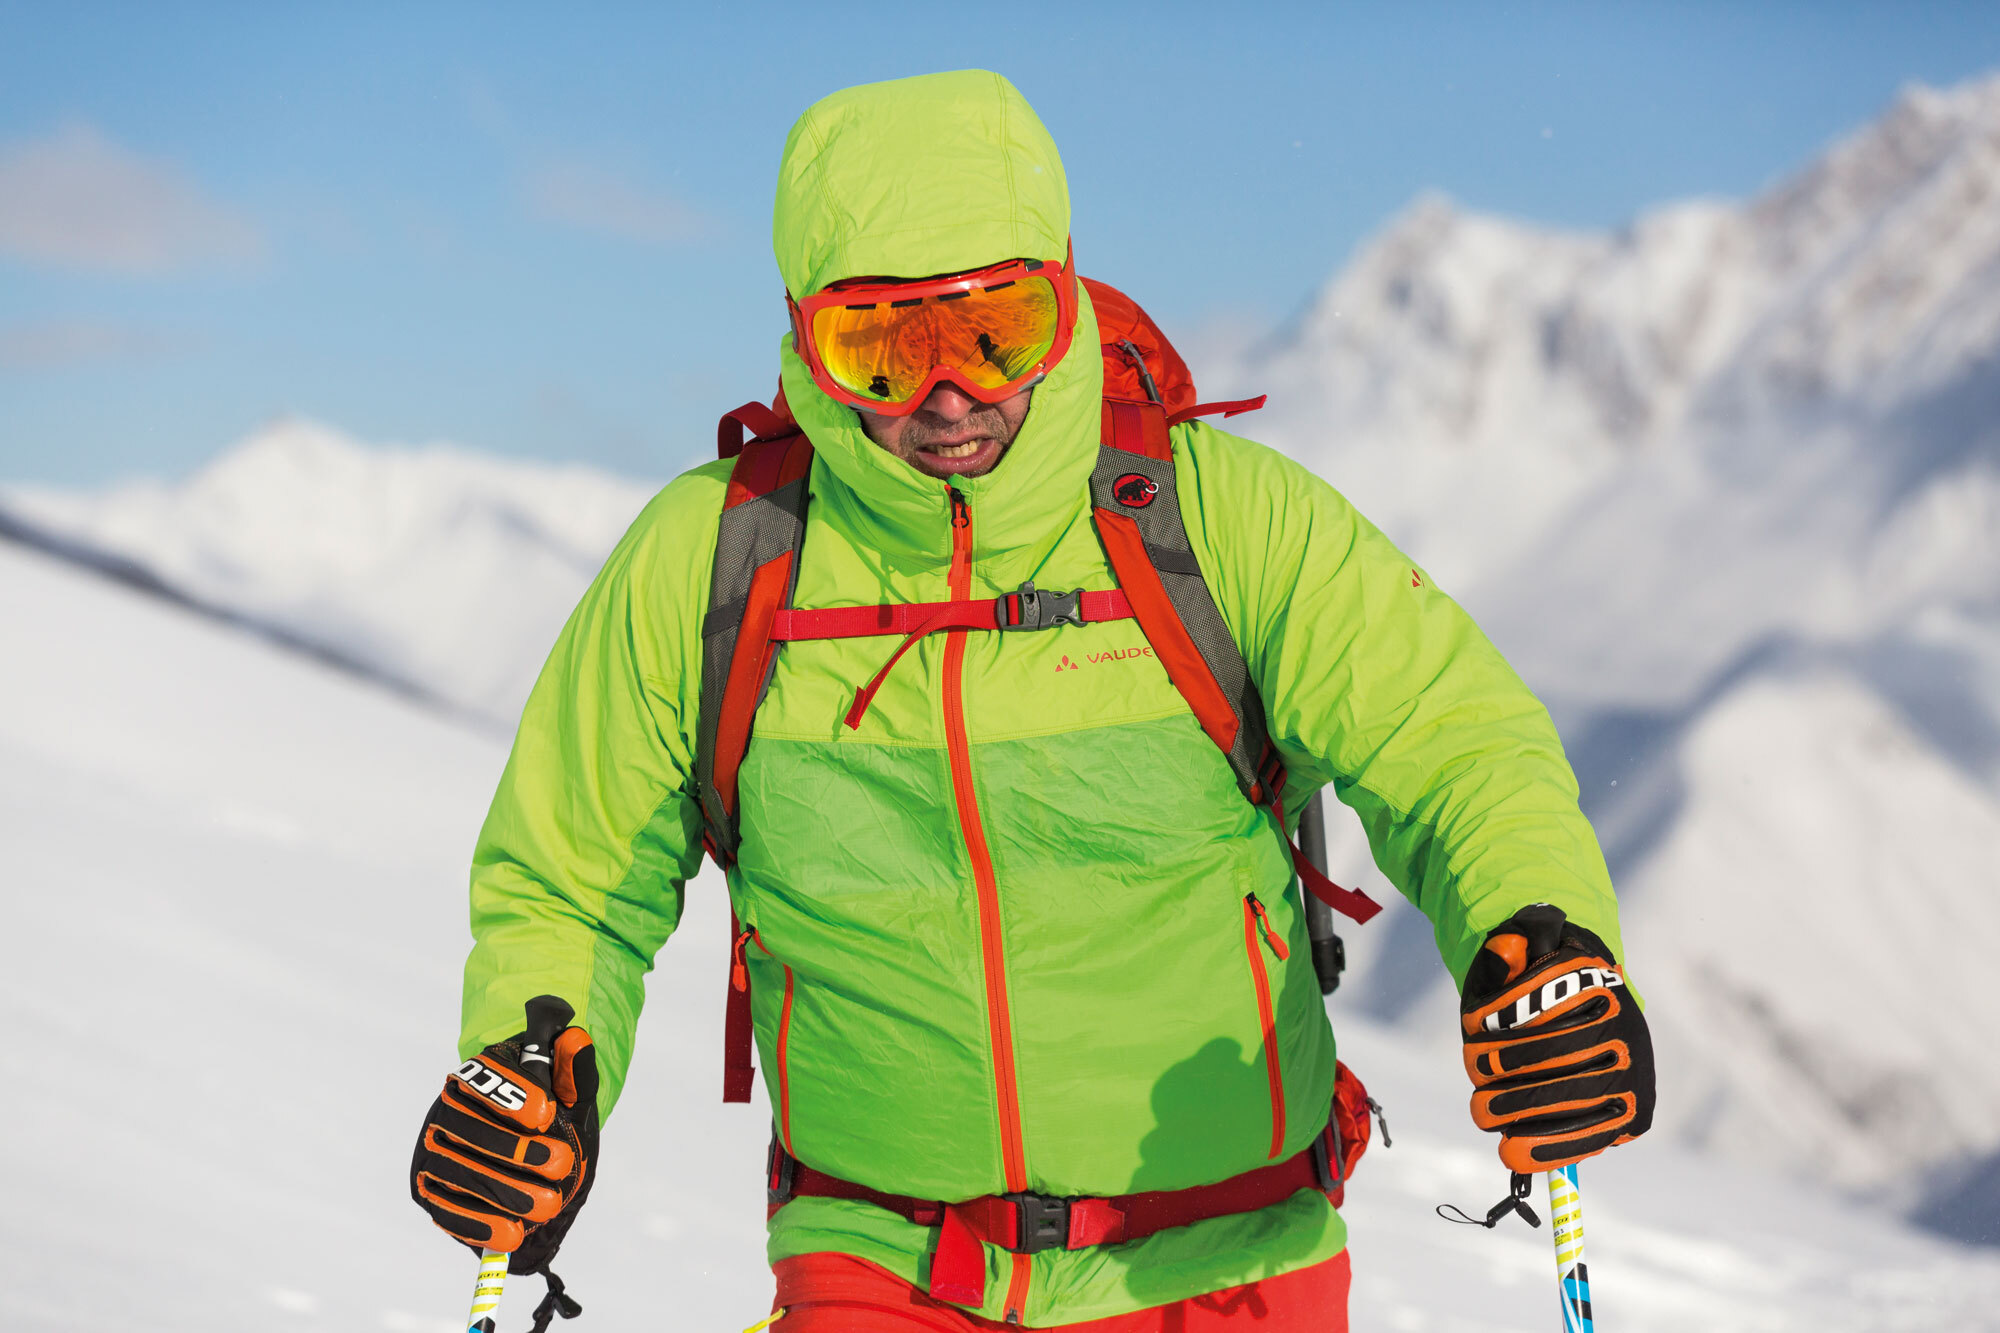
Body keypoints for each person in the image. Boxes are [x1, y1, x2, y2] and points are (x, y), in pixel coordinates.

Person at [409, 70, 1654, 1331]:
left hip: (1224, 1261)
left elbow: (1452, 745)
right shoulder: (717, 557)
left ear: (1064, 296)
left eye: (993, 326)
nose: (946, 392)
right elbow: (569, 877)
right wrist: (532, 1055)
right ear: (802, 339)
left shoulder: (1211, 519)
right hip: (880, 1262)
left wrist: (1540, 937)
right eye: (879, 346)